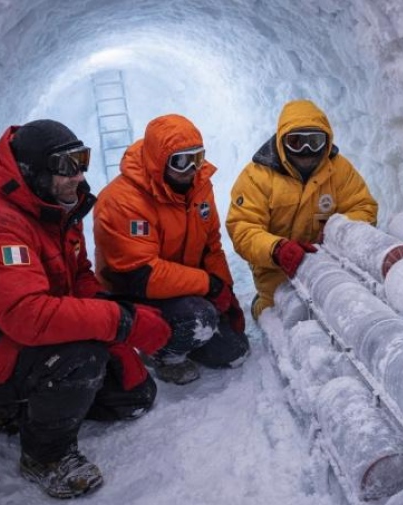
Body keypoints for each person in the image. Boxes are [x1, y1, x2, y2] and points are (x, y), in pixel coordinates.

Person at [0, 119, 172, 499]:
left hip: (18, 338)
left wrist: (105, 307)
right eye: (65, 165)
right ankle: (46, 456)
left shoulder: (54, 211)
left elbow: (80, 275)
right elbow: (29, 316)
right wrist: (120, 323)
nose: (78, 174)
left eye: (81, 159)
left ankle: (17, 407)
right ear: (32, 172)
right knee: (81, 358)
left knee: (134, 396)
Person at [93, 114, 249, 386]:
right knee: (197, 318)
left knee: (235, 352)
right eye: (180, 160)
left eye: (197, 158)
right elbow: (142, 275)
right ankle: (163, 355)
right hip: (134, 293)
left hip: (183, 287)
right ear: (158, 160)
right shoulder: (122, 202)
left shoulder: (199, 187)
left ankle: (183, 332)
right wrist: (209, 286)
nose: (191, 168)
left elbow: (211, 245)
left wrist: (226, 289)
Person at [226, 99, 379, 318]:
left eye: (315, 141)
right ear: (281, 141)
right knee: (286, 313)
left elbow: (363, 207)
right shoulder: (257, 177)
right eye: (296, 142)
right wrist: (277, 249)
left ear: (327, 140)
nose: (307, 151)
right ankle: (261, 305)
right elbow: (243, 228)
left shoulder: (339, 169)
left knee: (343, 307)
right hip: (276, 267)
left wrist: (336, 231)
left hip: (328, 256)